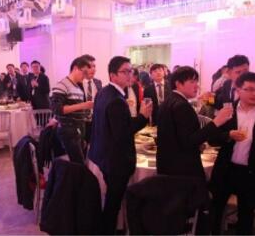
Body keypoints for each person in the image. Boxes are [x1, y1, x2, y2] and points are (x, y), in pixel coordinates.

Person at [88, 56, 152, 235]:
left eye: (131, 71)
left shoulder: (104, 92)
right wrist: (143, 117)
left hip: (104, 155)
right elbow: (123, 133)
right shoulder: (116, 99)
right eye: (125, 71)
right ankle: (106, 231)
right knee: (113, 203)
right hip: (116, 160)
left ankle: (109, 229)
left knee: (112, 199)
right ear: (113, 75)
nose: (130, 75)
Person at [156, 66, 232, 183]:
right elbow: (189, 141)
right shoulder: (182, 105)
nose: (197, 86)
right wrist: (216, 122)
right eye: (192, 82)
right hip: (183, 169)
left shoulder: (169, 100)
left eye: (197, 81)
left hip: (168, 165)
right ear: (178, 84)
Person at [210, 72, 255, 235]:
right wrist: (228, 135)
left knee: (246, 216)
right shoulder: (227, 112)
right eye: (249, 89)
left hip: (250, 173)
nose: (254, 93)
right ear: (238, 90)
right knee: (215, 210)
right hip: (226, 169)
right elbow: (212, 139)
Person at [50, 56, 95, 163]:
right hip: (68, 131)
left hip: (78, 130)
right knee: (78, 164)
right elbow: (57, 109)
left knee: (79, 162)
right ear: (75, 68)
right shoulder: (62, 85)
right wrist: (83, 105)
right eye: (84, 73)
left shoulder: (77, 87)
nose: (85, 76)